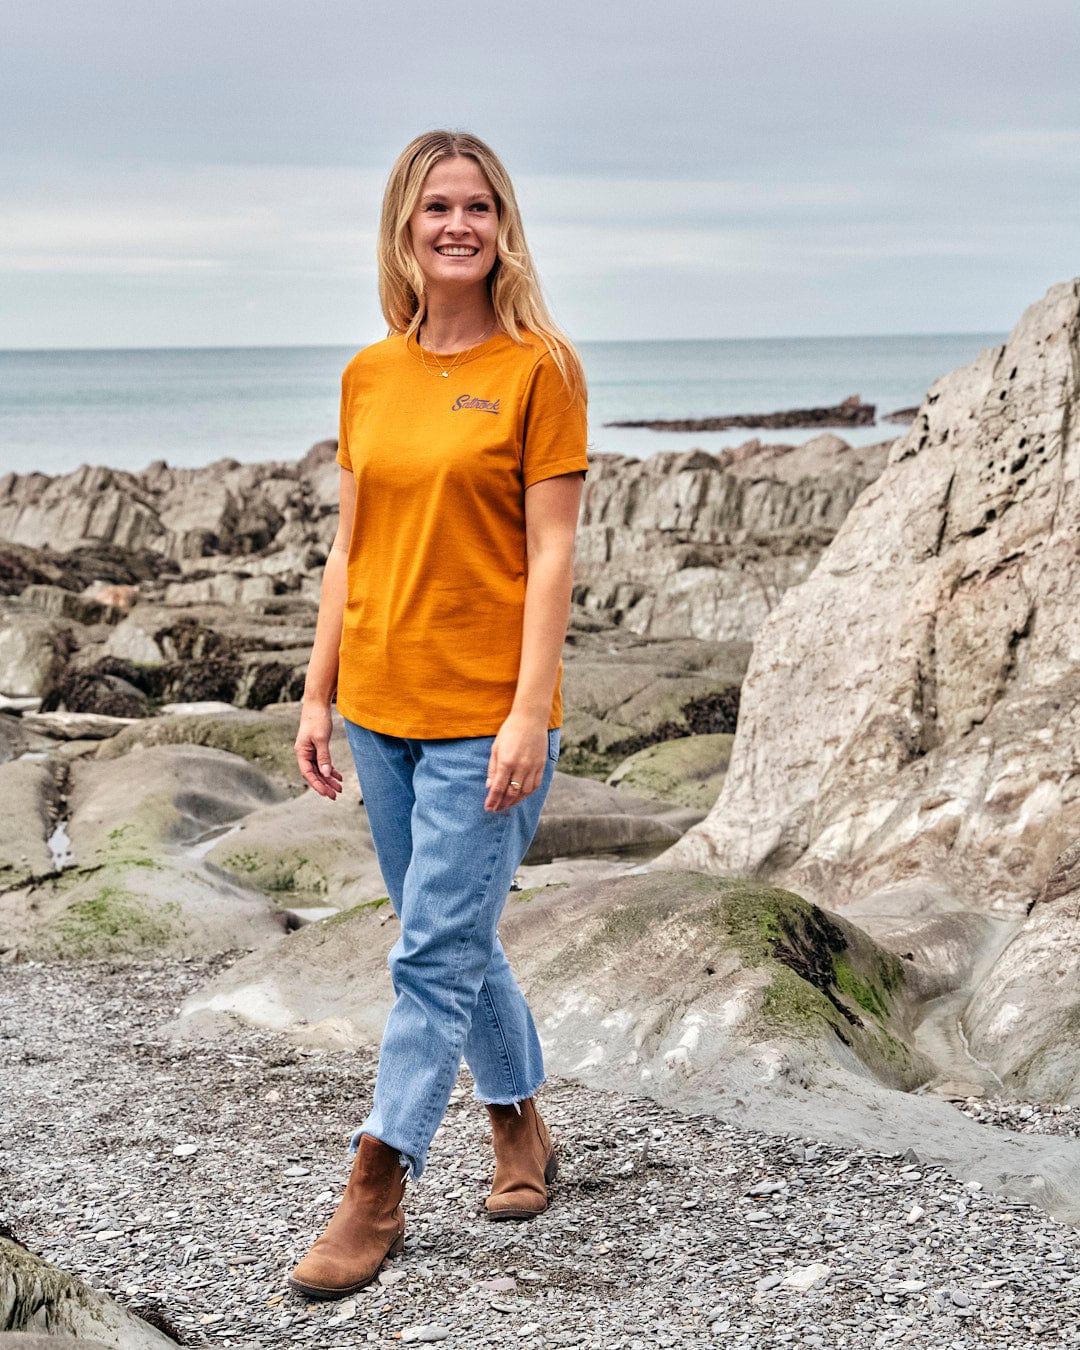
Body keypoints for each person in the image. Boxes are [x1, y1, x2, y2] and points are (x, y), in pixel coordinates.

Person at [287, 130, 589, 1301]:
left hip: (486, 716)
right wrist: (318, 692)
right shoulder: (370, 374)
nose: (455, 225)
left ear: (502, 226)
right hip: (380, 705)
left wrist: (527, 713)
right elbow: (348, 551)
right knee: (454, 936)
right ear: (404, 231)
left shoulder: (539, 368)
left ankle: (376, 1184)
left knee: (427, 952)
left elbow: (554, 556)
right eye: (434, 209)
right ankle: (520, 1125)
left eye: (476, 206)